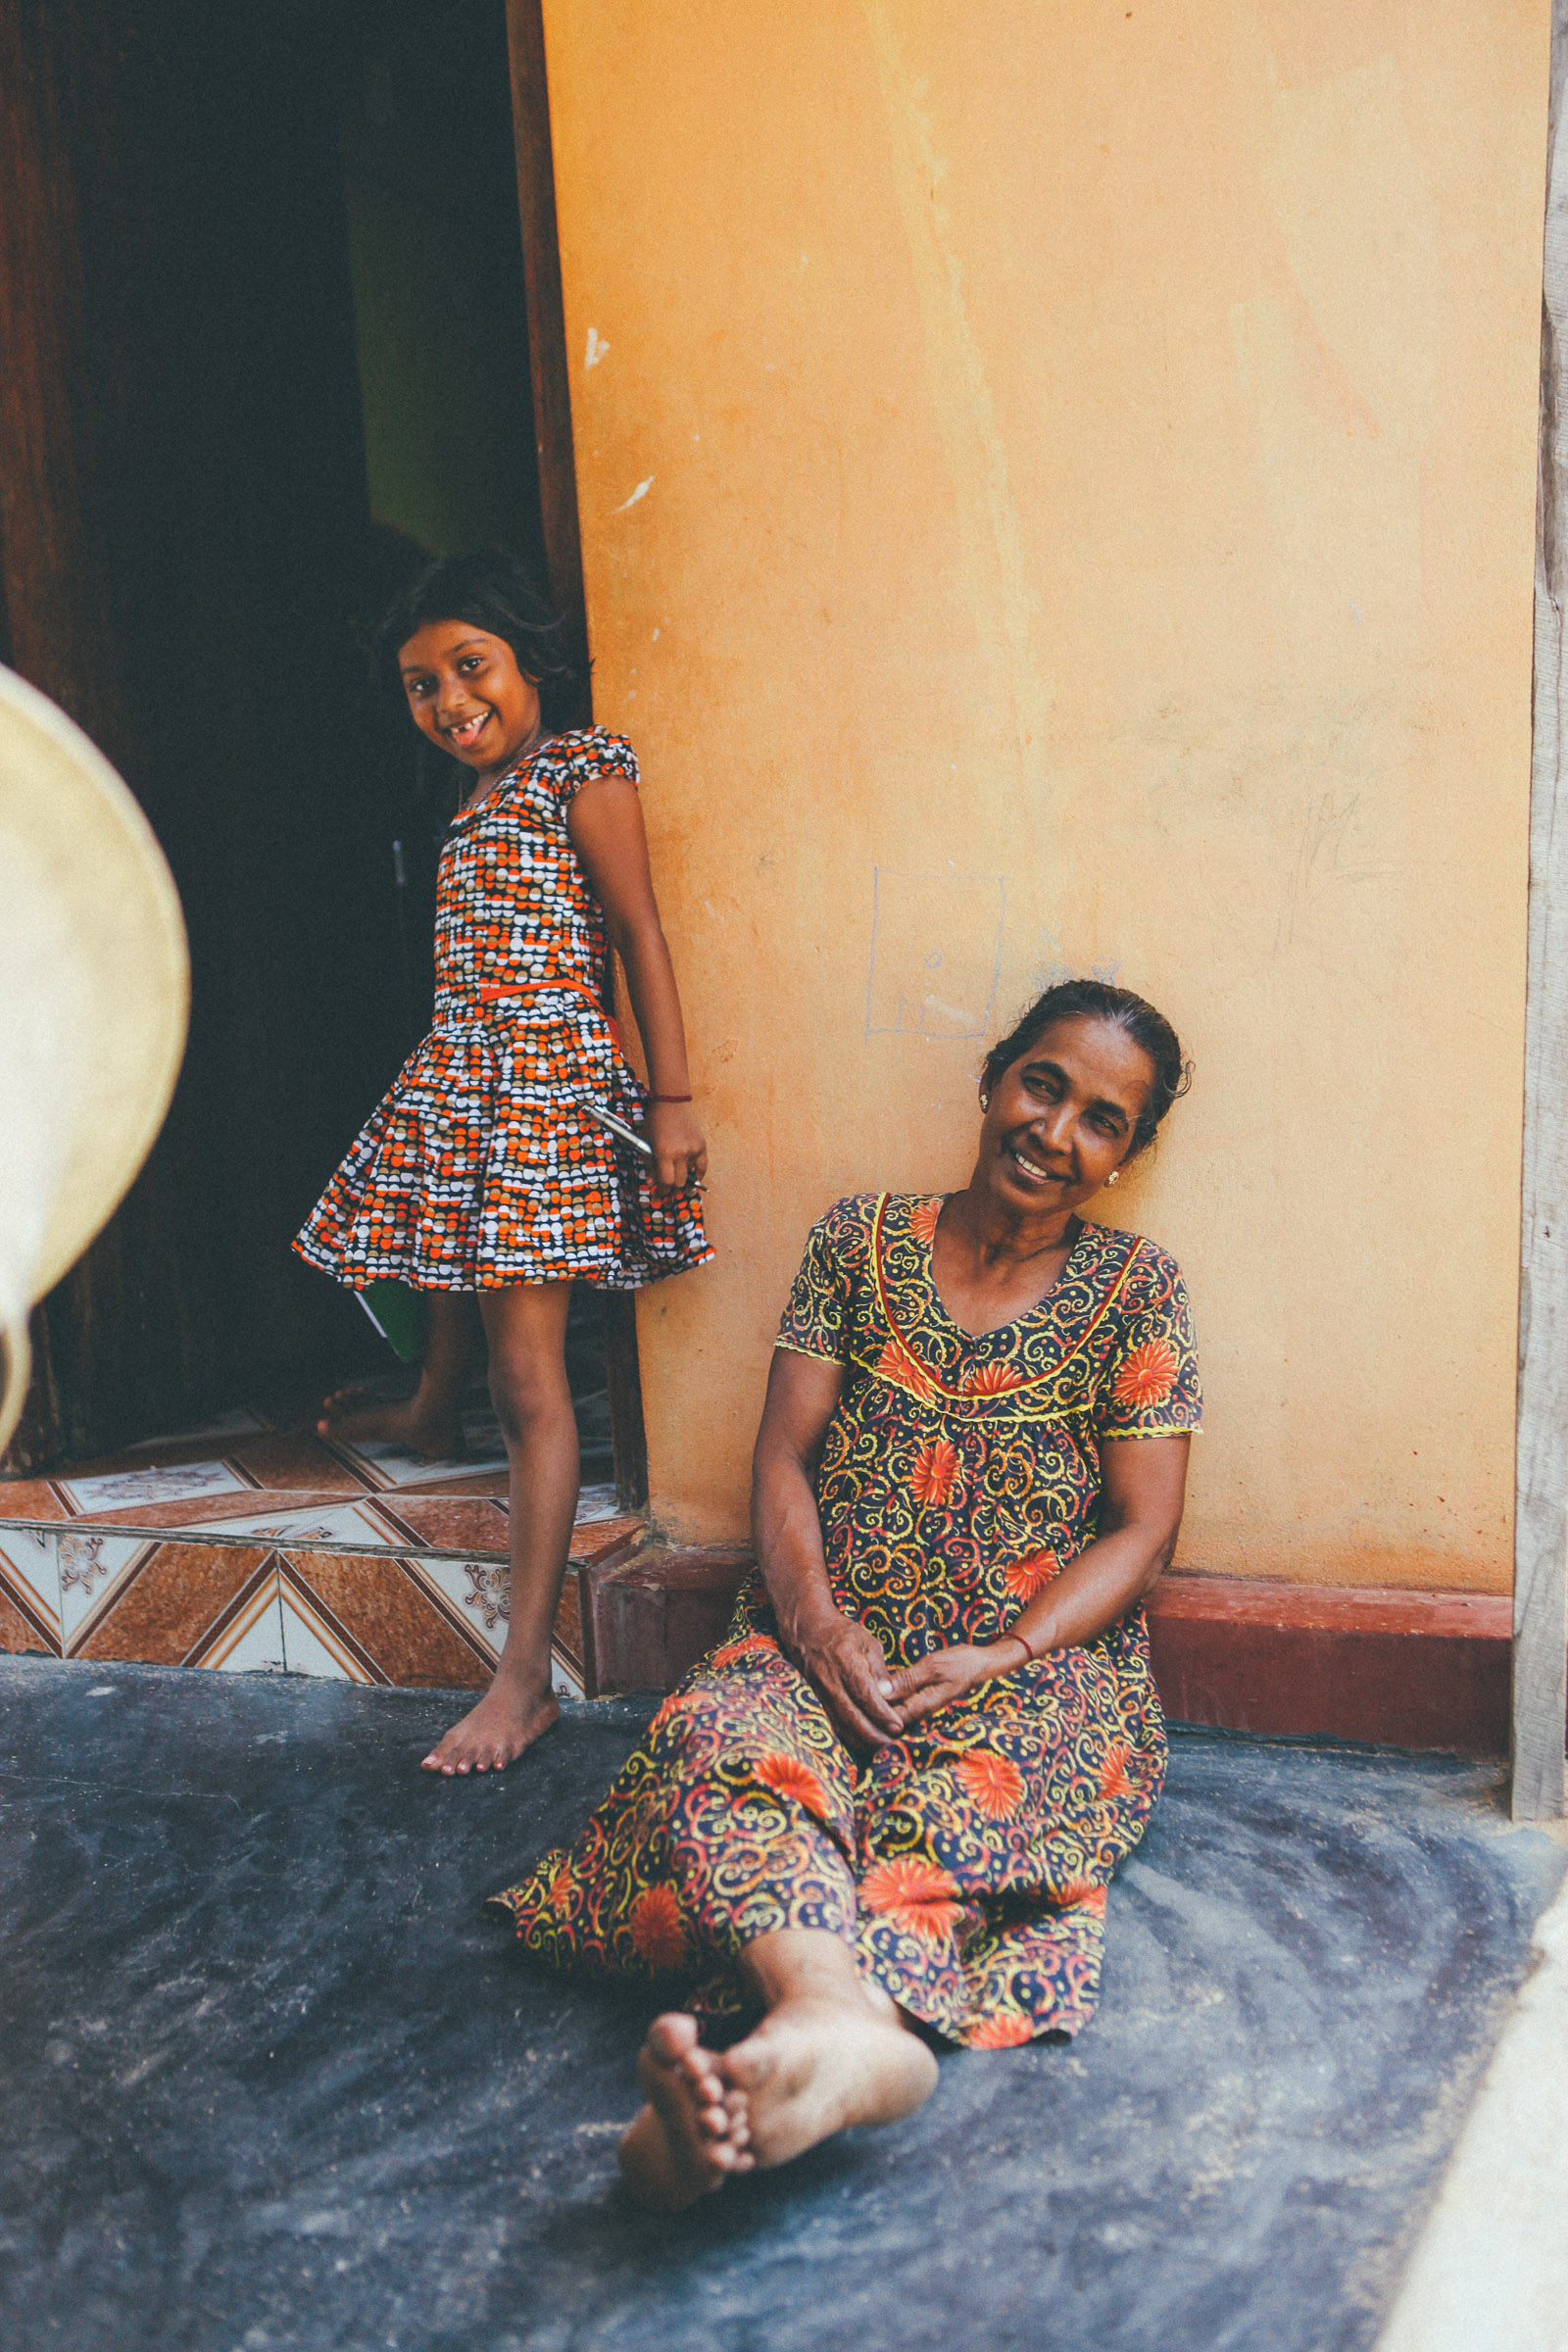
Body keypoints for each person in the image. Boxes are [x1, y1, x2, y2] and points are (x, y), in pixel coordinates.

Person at [487, 979, 1200, 2208]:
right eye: (1043, 1084)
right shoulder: (858, 1241)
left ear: (1127, 1155)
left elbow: (1145, 1531)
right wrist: (813, 1621)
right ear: (992, 1078)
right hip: (816, 1631)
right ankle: (835, 2035)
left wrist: (1007, 1654)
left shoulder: (1139, 1292)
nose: (1056, 1130)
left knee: (956, 1800)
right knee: (720, 1743)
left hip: (1032, 1671)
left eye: (1102, 1119)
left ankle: (790, 2048)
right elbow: (780, 1458)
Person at [295, 550, 710, 1775]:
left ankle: (522, 1675)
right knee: (445, 1243)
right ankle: (431, 1406)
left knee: (531, 1378)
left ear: (532, 663)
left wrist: (673, 1099)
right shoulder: (468, 802)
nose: (447, 701)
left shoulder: (583, 769)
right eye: (421, 685)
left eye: (469, 668)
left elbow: (637, 931)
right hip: (469, 1069)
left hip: (541, 1083)